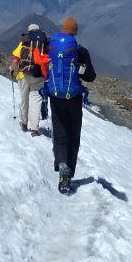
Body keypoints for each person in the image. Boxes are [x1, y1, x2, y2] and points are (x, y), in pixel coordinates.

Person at [45, 16, 96, 194]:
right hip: (73, 98)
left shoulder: (50, 45)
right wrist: (78, 70)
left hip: (55, 97)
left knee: (59, 134)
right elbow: (91, 76)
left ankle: (62, 165)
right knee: (73, 136)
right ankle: (69, 175)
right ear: (75, 31)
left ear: (62, 29)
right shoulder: (80, 50)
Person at [10, 23, 50, 136]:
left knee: (24, 99)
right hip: (38, 76)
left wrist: (12, 68)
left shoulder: (25, 40)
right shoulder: (44, 42)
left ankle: (23, 123)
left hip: (24, 74)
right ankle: (34, 129)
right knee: (36, 101)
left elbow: (16, 57)